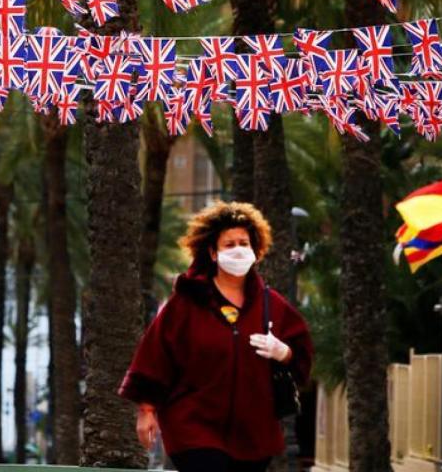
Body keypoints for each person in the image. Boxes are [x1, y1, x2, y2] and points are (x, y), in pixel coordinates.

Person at [118, 201, 314, 472]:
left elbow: (302, 354)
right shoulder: (185, 303)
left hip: (254, 434)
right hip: (193, 428)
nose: (238, 250)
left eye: (244, 243)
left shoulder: (273, 304)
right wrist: (147, 410)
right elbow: (155, 354)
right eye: (229, 244)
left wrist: (285, 352)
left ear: (255, 251)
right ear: (212, 253)